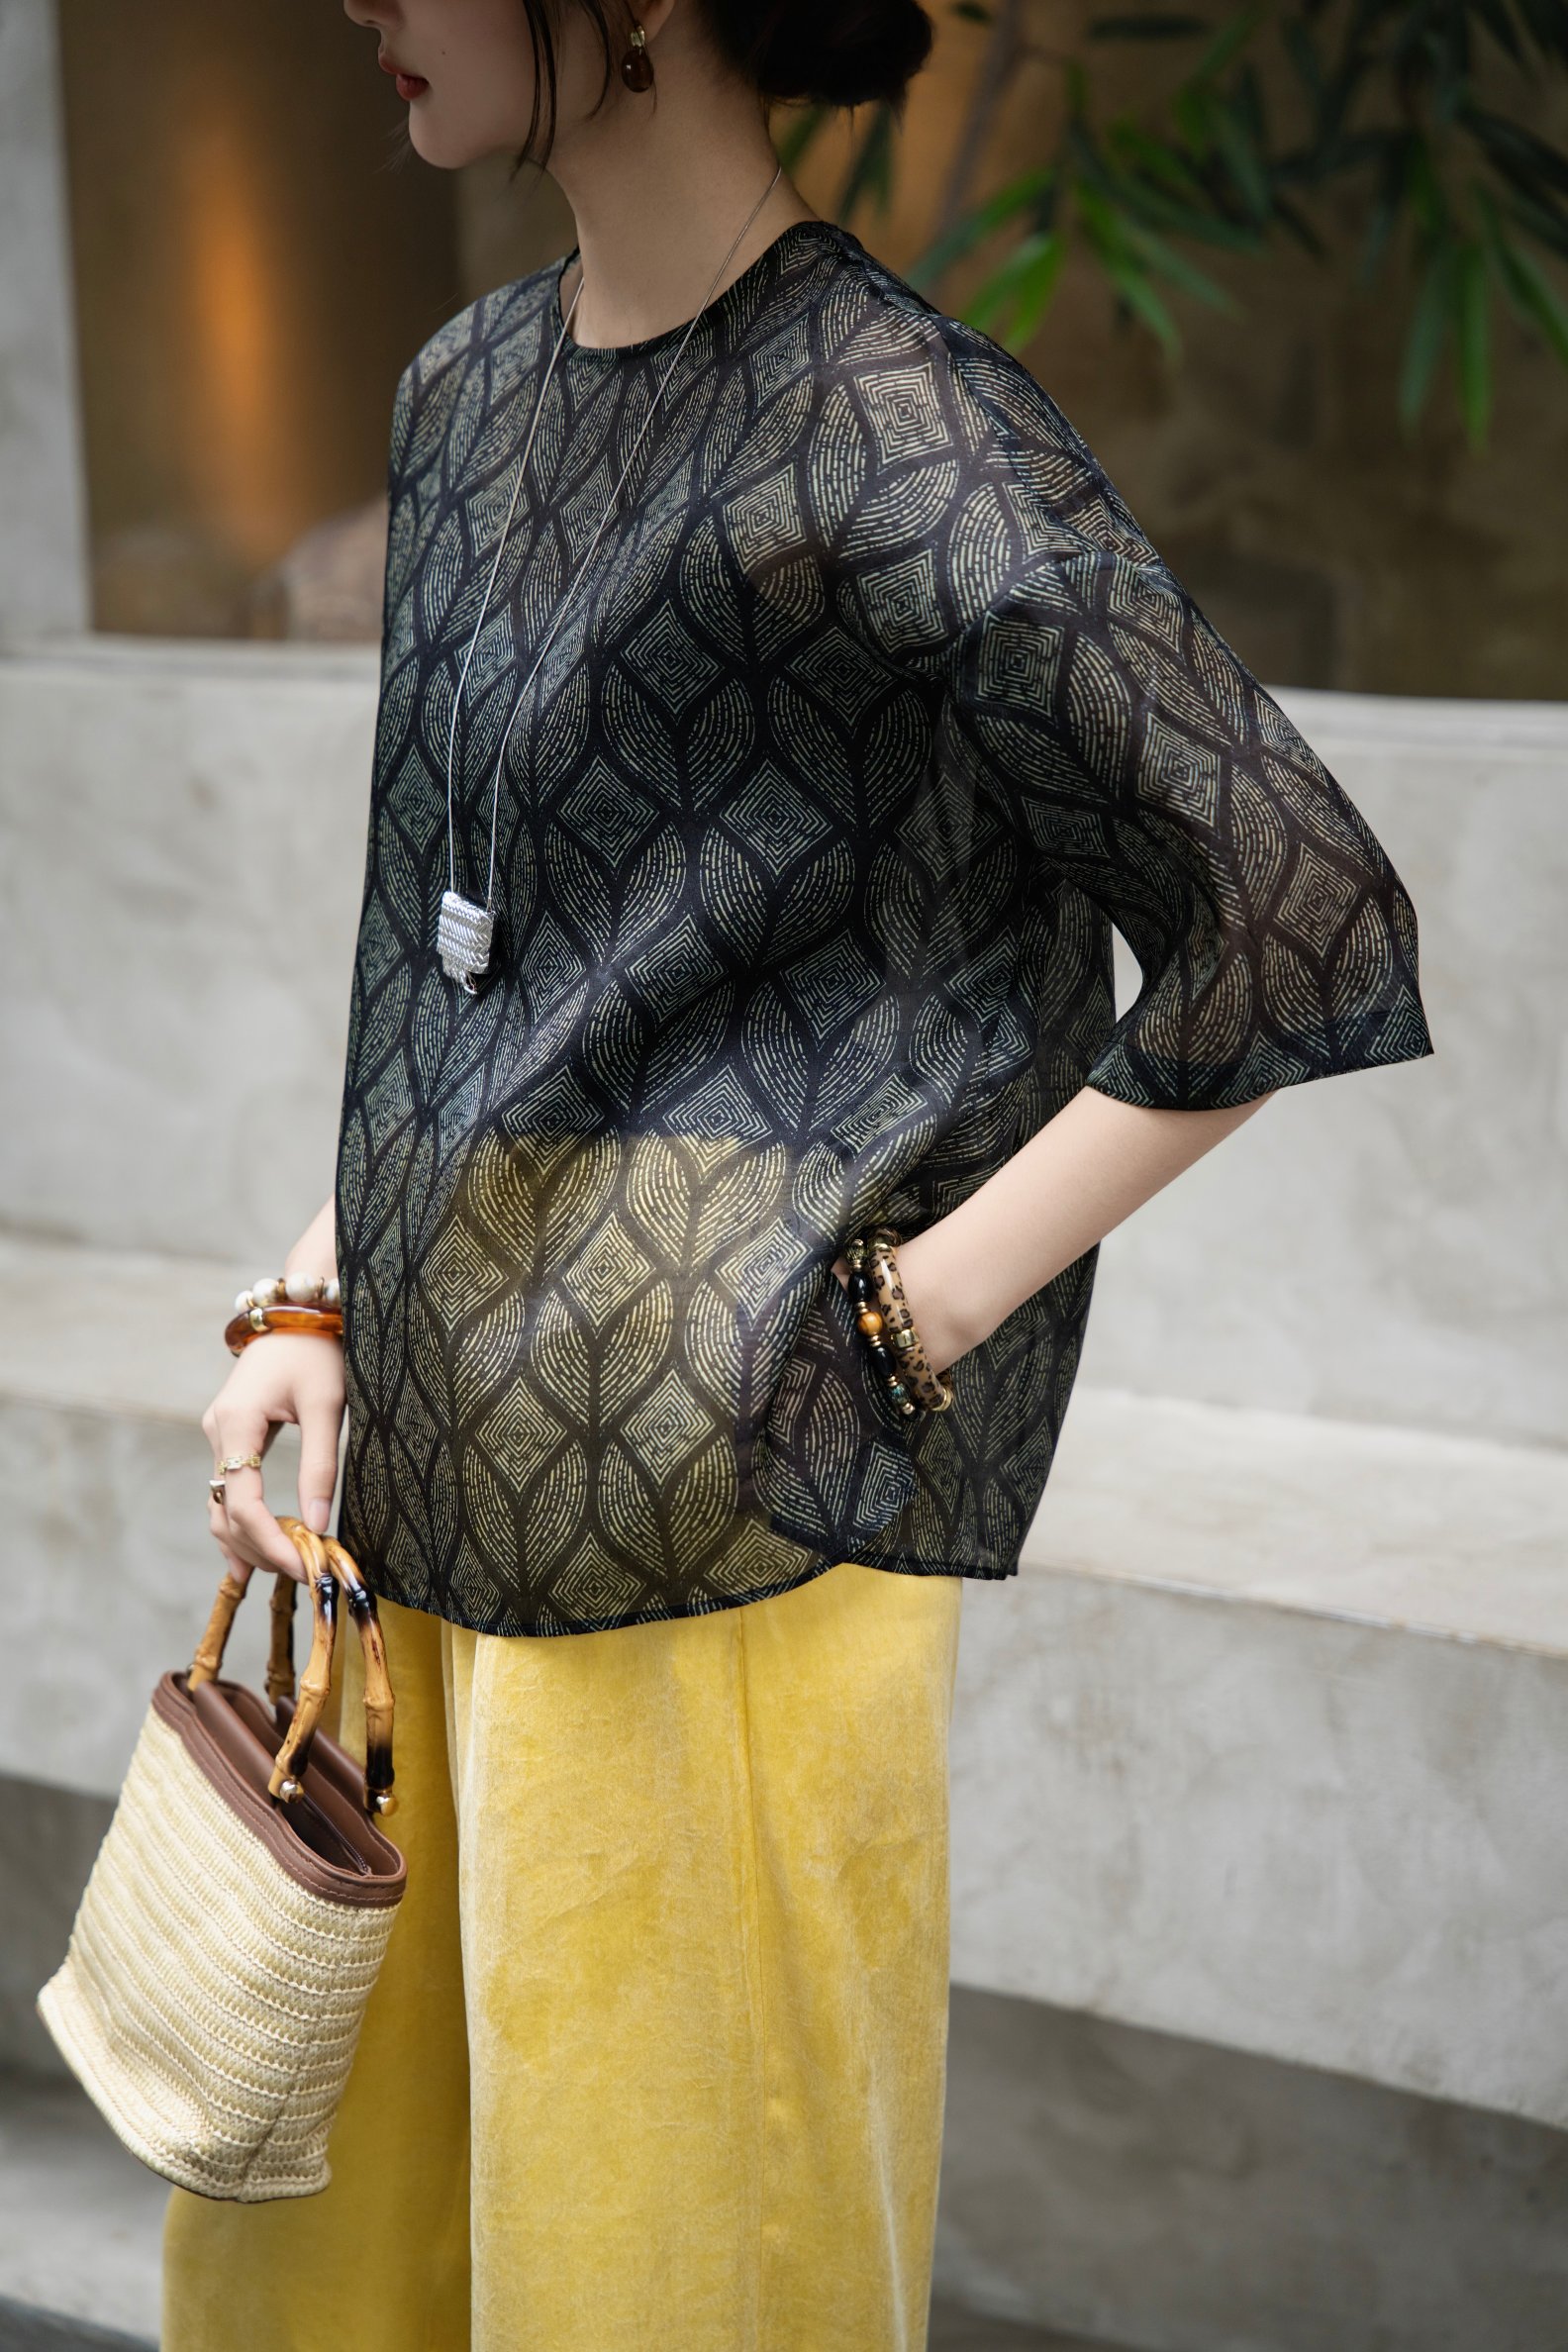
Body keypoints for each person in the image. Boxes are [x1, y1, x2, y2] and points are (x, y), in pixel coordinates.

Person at [163, 0, 1435, 2344]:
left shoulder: (893, 416)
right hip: (426, 1511)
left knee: (667, 2271)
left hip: (716, 1545)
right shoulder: (466, 393)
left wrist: (904, 1318)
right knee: (362, 2273)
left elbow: (1297, 907)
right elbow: (465, 945)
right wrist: (316, 1287)